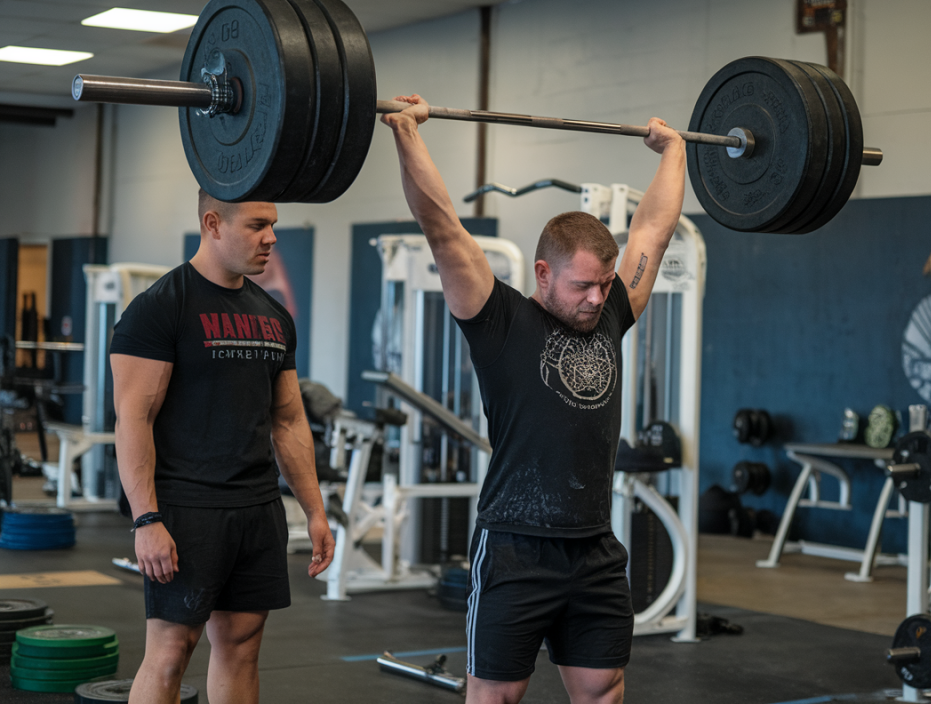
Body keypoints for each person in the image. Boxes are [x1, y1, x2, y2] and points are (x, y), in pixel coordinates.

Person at [381, 95, 686, 704]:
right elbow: (442, 226)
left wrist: (674, 152)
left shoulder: (610, 316)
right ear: (543, 273)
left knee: (602, 688)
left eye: (605, 283)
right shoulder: (499, 321)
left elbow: (653, 229)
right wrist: (407, 133)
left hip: (594, 545)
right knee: (496, 695)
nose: (599, 298)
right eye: (583, 285)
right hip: (515, 547)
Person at [109, 191, 334, 704]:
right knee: (170, 654)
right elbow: (133, 419)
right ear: (213, 223)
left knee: (242, 646)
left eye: (273, 225)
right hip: (187, 509)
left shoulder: (274, 316)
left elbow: (289, 419)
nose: (271, 237)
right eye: (257, 225)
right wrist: (146, 520)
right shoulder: (159, 308)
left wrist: (314, 511)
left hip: (256, 507)